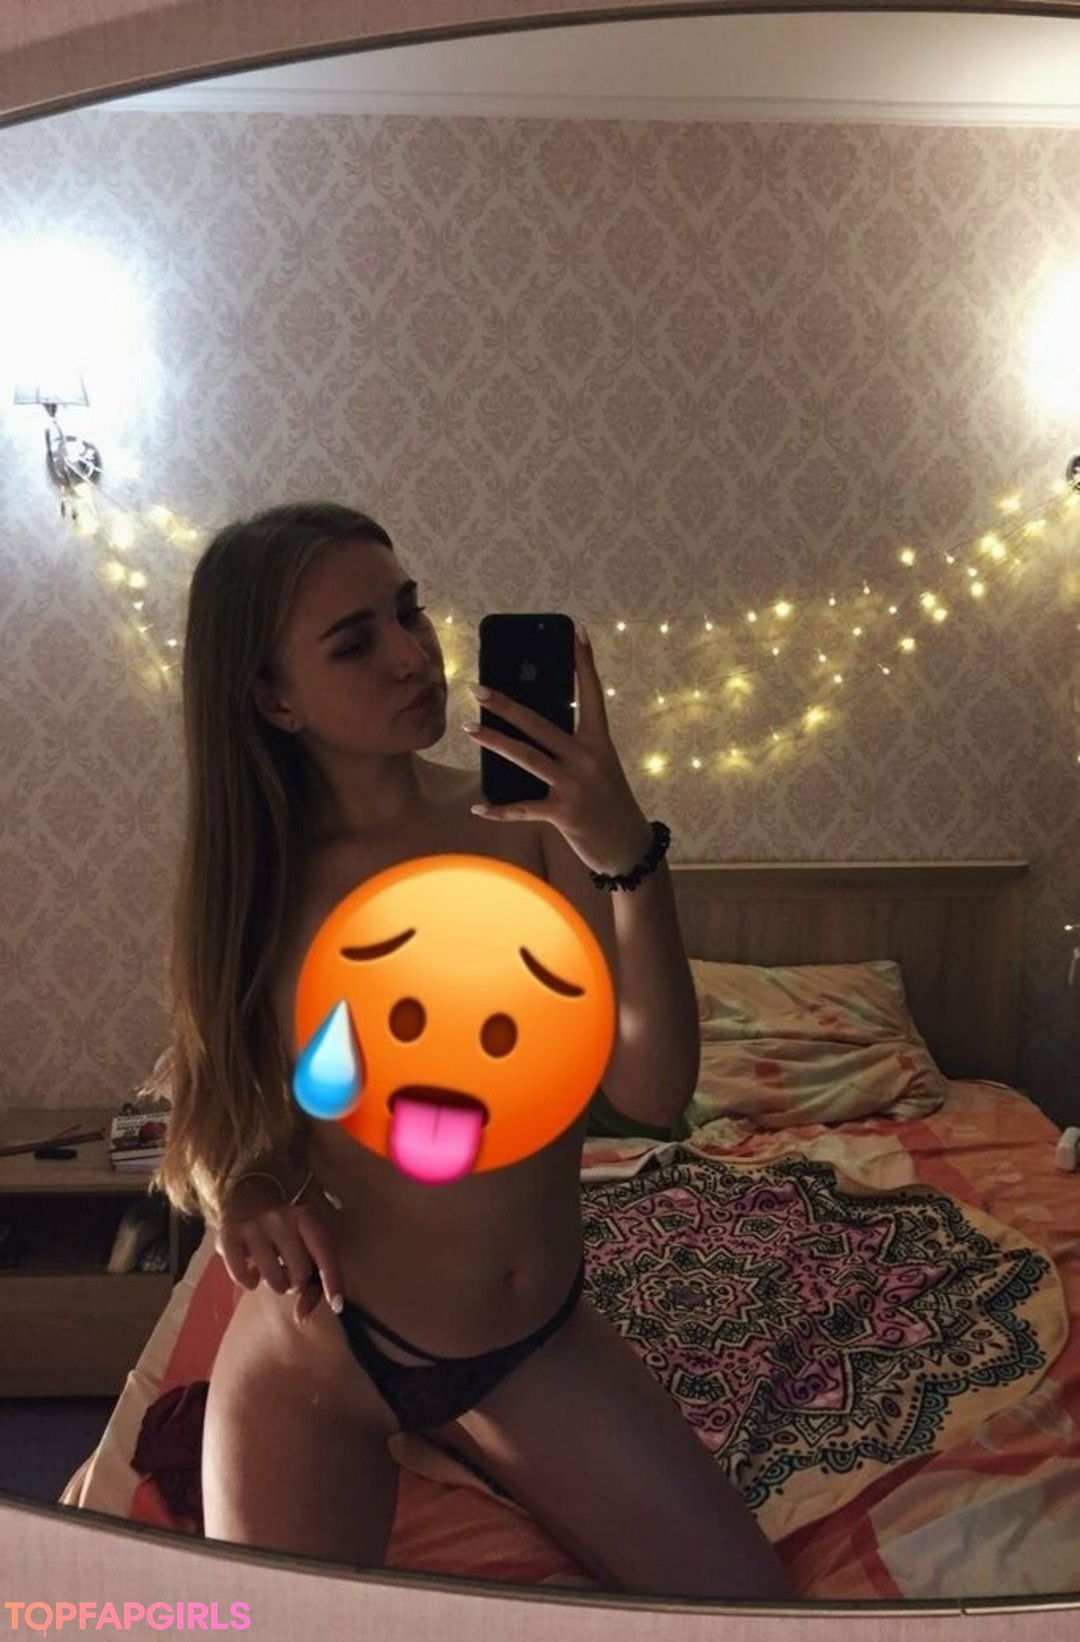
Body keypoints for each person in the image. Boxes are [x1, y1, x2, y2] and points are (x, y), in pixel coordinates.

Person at [156, 500, 792, 1600]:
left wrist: (628, 854)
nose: (414, 656)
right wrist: (244, 1189)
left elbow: (653, 1090)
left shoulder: (527, 831)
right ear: (273, 698)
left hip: (533, 1339)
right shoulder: (256, 889)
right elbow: (217, 1115)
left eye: (408, 612)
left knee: (755, 1618)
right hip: (319, 1354)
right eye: (354, 642)